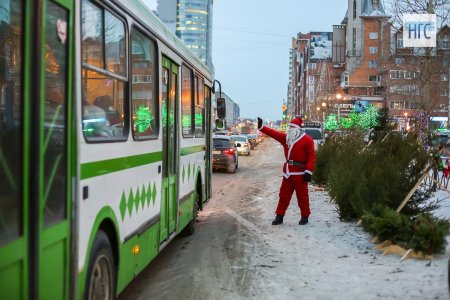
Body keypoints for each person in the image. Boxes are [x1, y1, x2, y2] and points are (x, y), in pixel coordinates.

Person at [257, 116, 315, 225]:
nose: (290, 129)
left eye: (293, 126)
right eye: (290, 126)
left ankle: (305, 215)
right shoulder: (287, 138)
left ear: (298, 128)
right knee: (283, 195)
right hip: (288, 173)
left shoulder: (307, 139)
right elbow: (273, 133)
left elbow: (311, 157)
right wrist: (261, 127)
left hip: (300, 173)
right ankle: (279, 216)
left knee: (302, 196)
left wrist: (308, 171)